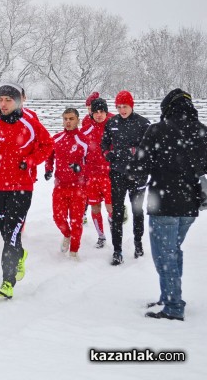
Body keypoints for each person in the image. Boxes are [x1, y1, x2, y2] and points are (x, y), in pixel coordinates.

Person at [132, 89, 207, 321]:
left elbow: (139, 168)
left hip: (163, 203)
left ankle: (173, 306)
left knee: (164, 255)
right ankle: (168, 296)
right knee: (173, 250)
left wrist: (134, 174)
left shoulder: (156, 130)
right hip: (189, 205)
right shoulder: (203, 131)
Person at [0, 84, 53, 298]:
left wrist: (30, 161)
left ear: (18, 101)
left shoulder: (30, 124)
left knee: (12, 232)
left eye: (8, 100)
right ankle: (20, 254)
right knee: (6, 231)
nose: (3, 104)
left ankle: (8, 280)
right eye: (0, 100)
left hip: (21, 187)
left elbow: (47, 145)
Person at [101, 90, 150, 265]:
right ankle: (117, 250)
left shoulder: (143, 123)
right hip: (117, 174)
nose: (122, 110)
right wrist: (107, 153)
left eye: (125, 106)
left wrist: (139, 153)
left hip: (137, 175)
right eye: (119, 107)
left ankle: (138, 243)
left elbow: (150, 149)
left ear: (132, 106)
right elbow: (104, 142)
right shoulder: (112, 122)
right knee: (117, 213)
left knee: (137, 211)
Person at [44, 108, 88, 259]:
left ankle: (74, 252)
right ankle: (67, 235)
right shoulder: (56, 139)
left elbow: (92, 163)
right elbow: (49, 156)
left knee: (76, 222)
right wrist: (48, 169)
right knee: (58, 217)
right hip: (60, 186)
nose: (68, 122)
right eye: (66, 119)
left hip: (78, 188)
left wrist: (80, 168)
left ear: (78, 120)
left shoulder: (84, 141)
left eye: (71, 119)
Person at [81, 98, 115, 248]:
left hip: (109, 175)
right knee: (95, 207)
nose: (99, 115)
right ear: (91, 113)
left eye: (102, 112)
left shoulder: (113, 127)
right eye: (96, 112)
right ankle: (101, 236)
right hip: (91, 176)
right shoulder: (86, 130)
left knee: (110, 207)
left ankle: (115, 232)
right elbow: (80, 151)